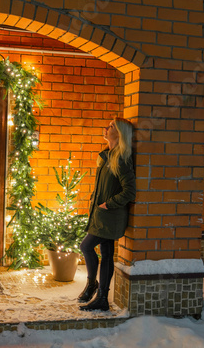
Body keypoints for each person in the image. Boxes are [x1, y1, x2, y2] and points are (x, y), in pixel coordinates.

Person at [78, 117, 136, 311]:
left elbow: (129, 191)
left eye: (111, 126)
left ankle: (95, 287)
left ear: (119, 133)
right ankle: (100, 295)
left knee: (86, 246)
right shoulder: (106, 155)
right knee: (107, 253)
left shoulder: (121, 159)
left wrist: (108, 204)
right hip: (101, 214)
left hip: (110, 215)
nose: (106, 128)